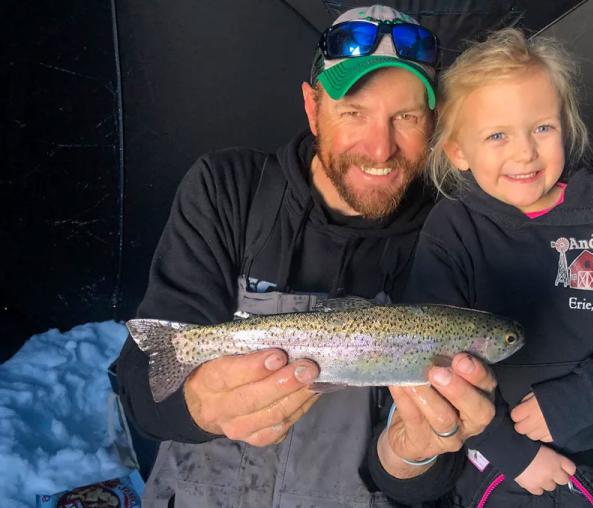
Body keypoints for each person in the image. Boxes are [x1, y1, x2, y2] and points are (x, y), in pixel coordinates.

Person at [115, 5, 502, 507]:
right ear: (311, 107)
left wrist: (412, 456)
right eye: (353, 112)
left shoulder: (454, 234)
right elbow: (143, 384)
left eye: (405, 117)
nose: (380, 149)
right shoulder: (228, 190)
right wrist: (197, 404)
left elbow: (429, 481)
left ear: (432, 123)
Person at [371, 27, 593, 507]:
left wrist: (574, 403)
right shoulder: (452, 229)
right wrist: (509, 449)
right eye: (497, 135)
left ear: (565, 127)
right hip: (492, 465)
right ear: (459, 151)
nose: (524, 152)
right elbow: (432, 359)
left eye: (541, 128)